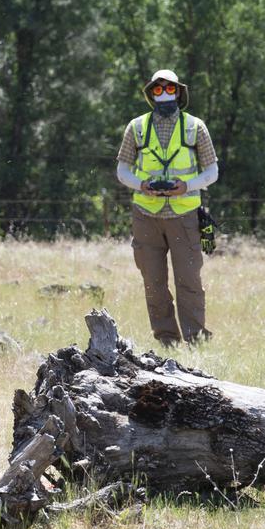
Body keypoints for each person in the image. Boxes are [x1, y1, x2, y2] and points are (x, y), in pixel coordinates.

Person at [115, 69, 219, 346]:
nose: (164, 94)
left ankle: (196, 341)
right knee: (153, 283)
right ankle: (167, 341)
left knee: (189, 282)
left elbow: (212, 171)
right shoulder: (135, 127)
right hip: (145, 216)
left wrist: (187, 186)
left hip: (184, 215)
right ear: (151, 94)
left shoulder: (196, 127)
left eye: (169, 89)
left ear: (179, 92)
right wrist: (141, 184)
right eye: (158, 90)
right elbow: (122, 170)